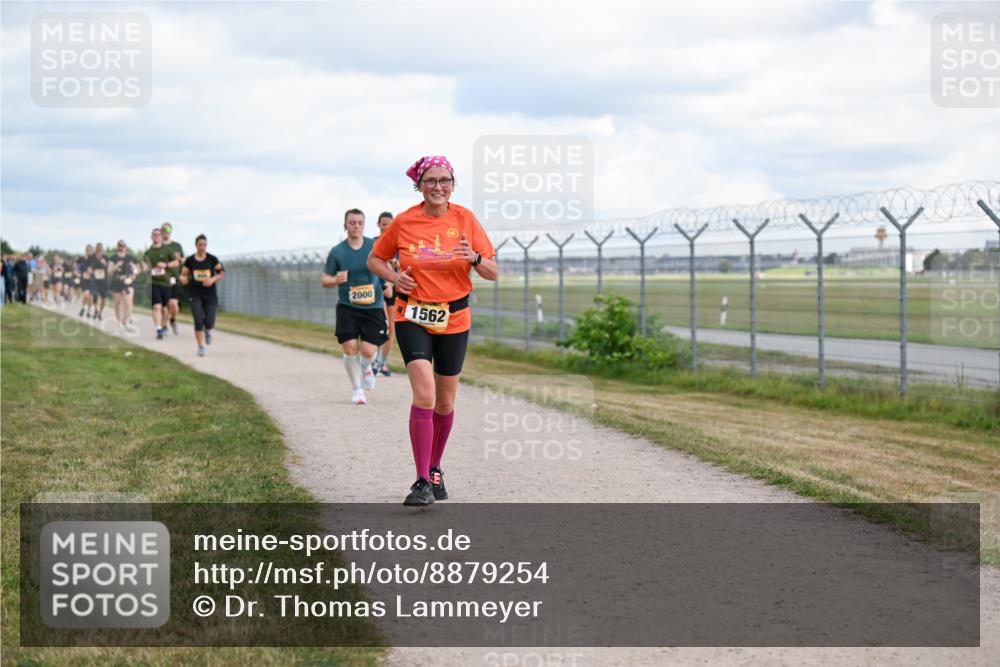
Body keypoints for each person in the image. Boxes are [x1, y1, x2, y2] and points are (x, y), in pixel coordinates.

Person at [368, 155, 498, 506]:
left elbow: (492, 271)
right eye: (430, 181)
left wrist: (473, 258)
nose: (438, 187)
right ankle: (422, 480)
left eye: (444, 180)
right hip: (412, 314)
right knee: (424, 395)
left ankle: (436, 466)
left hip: (455, 318)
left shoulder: (466, 219)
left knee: (445, 401)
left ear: (453, 184)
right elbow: (375, 259)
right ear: (419, 185)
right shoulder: (405, 221)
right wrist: (394, 277)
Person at [322, 209, 388, 405]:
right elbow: (325, 279)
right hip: (347, 307)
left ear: (364, 225)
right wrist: (336, 279)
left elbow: (385, 267)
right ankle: (357, 389)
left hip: (373, 306)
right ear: (345, 225)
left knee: (368, 351)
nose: (356, 226)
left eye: (360, 222)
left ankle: (367, 367)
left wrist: (389, 284)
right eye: (352, 223)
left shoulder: (374, 246)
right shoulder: (337, 251)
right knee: (350, 348)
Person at [180, 234, 224, 356]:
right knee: (198, 320)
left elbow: (221, 273)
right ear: (196, 245)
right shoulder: (190, 260)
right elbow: (183, 274)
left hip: (210, 294)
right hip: (194, 293)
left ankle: (208, 330)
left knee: (210, 322)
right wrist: (183, 278)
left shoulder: (212, 259)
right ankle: (200, 347)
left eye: (204, 245)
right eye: (200, 244)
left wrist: (212, 279)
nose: (202, 247)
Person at [143, 227, 180, 339]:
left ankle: (164, 326)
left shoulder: (167, 250)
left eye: (158, 234)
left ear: (160, 236)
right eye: (153, 234)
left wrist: (166, 265)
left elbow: (176, 263)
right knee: (156, 307)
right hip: (154, 283)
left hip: (166, 283)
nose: (156, 236)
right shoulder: (148, 253)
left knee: (164, 308)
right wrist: (144, 268)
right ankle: (158, 329)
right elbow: (144, 266)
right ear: (151, 237)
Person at [373, 211, 397, 377]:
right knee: (380, 326)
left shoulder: (399, 245)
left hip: (393, 291)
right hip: (376, 290)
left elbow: (401, 269)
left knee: (391, 329)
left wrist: (391, 283)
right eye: (383, 224)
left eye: (389, 225)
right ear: (378, 225)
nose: (386, 227)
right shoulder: (373, 244)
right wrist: (384, 284)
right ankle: (372, 360)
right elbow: (371, 267)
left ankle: (382, 362)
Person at [109, 241, 140, 332]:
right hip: (116, 281)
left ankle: (126, 320)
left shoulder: (130, 258)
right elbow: (110, 270)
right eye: (120, 245)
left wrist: (134, 275)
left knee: (128, 302)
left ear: (126, 247)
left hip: (128, 281)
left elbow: (137, 269)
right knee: (117, 303)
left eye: (123, 245)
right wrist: (116, 265)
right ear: (117, 246)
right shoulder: (113, 258)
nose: (122, 247)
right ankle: (119, 322)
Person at [161, 223, 184, 335]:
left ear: (171, 231)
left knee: (174, 304)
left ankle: (173, 320)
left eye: (168, 229)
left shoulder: (177, 246)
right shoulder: (158, 246)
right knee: (164, 306)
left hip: (174, 278)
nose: (166, 231)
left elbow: (183, 260)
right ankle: (164, 326)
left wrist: (179, 260)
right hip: (161, 280)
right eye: (164, 229)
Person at [88, 243, 110, 320]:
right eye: (98, 248)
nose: (99, 249)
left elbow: (110, 268)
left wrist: (105, 264)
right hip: (94, 280)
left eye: (101, 248)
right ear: (96, 248)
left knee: (104, 299)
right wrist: (89, 269)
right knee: (95, 295)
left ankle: (100, 312)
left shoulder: (106, 258)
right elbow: (87, 266)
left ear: (102, 249)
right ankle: (96, 311)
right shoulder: (92, 257)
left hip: (104, 281)